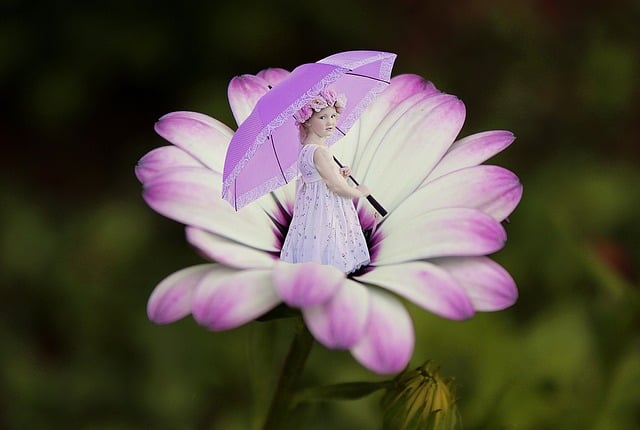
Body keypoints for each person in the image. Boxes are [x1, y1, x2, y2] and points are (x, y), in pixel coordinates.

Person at [280, 87, 371, 274]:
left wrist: (339, 172)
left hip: (311, 207)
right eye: (322, 117)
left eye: (333, 116)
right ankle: (332, 267)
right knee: (331, 233)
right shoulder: (320, 151)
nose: (331, 122)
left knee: (314, 235)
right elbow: (335, 186)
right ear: (307, 122)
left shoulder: (306, 149)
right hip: (327, 204)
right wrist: (358, 192)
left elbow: (318, 176)